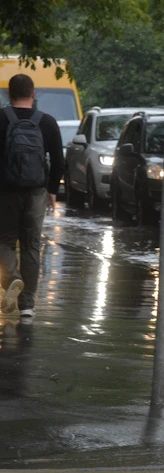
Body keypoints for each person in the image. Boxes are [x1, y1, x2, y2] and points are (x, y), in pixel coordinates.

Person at [0, 73, 62, 318]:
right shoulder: (46, 122)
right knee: (31, 245)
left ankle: (13, 279)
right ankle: (28, 306)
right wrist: (53, 191)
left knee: (4, 241)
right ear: (33, 94)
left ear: (9, 94)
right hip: (36, 190)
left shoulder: (1, 119)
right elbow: (58, 160)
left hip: (5, 191)